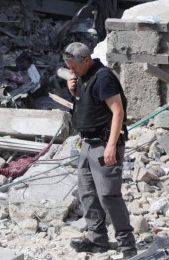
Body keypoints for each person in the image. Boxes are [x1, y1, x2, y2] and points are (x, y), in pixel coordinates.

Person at [63, 41, 137, 258]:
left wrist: (112, 145)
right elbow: (88, 105)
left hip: (104, 145)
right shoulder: (82, 77)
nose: (71, 71)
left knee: (108, 195)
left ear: (87, 60)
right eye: (68, 66)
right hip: (86, 144)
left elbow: (118, 112)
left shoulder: (103, 77)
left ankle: (127, 245)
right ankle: (97, 240)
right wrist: (73, 91)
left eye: (74, 66)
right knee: (87, 194)